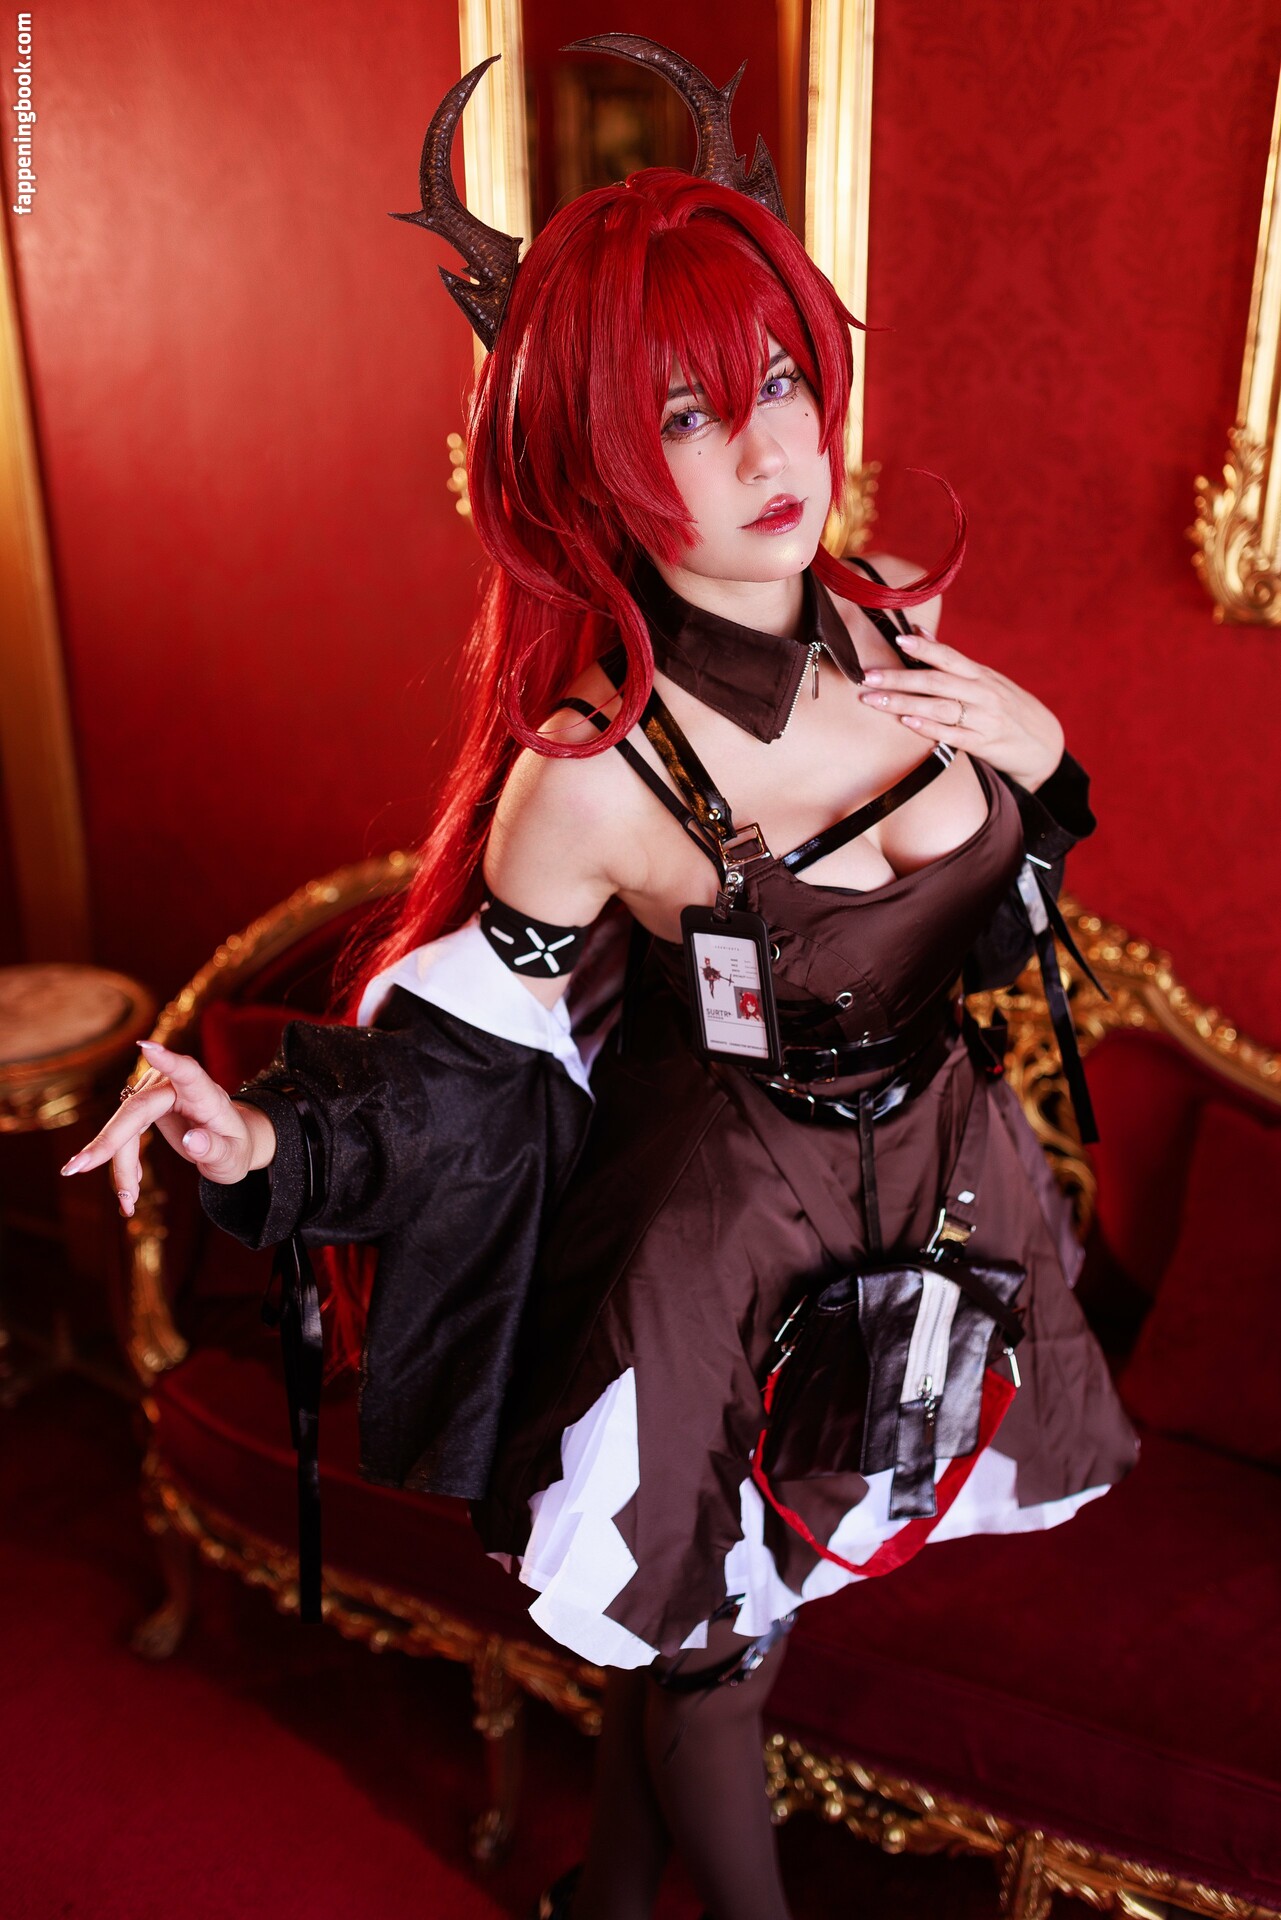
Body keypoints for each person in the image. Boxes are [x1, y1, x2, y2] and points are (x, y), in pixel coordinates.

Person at [62, 36, 1139, 1920]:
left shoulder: (894, 620)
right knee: (712, 1659)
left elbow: (997, 916)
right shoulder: (588, 775)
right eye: (688, 418)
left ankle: (605, 1902)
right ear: (590, 467)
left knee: (718, 1620)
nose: (771, 454)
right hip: (723, 1239)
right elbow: (468, 1069)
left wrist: (1042, 761)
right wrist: (269, 1142)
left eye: (779, 381)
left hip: (936, 1190)